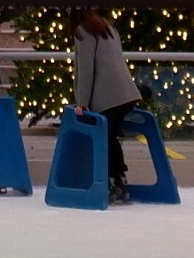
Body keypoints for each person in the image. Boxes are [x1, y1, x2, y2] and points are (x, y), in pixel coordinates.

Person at [66, 10, 156, 179]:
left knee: (105, 138)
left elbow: (85, 68)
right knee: (111, 135)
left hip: (107, 97)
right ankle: (119, 177)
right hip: (126, 93)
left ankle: (113, 178)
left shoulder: (83, 31)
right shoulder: (107, 27)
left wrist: (82, 102)